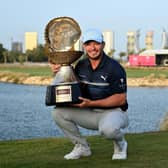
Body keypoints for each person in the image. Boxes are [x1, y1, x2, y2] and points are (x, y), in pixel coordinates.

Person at [50, 28, 129, 160]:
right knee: (57, 113)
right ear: (84, 46)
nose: (92, 48)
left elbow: (120, 99)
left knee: (109, 130)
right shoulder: (81, 65)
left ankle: (121, 144)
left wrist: (91, 103)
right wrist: (60, 71)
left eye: (96, 43)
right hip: (90, 112)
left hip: (114, 112)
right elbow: (71, 84)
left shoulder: (114, 68)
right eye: (88, 44)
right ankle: (82, 147)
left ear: (103, 45)